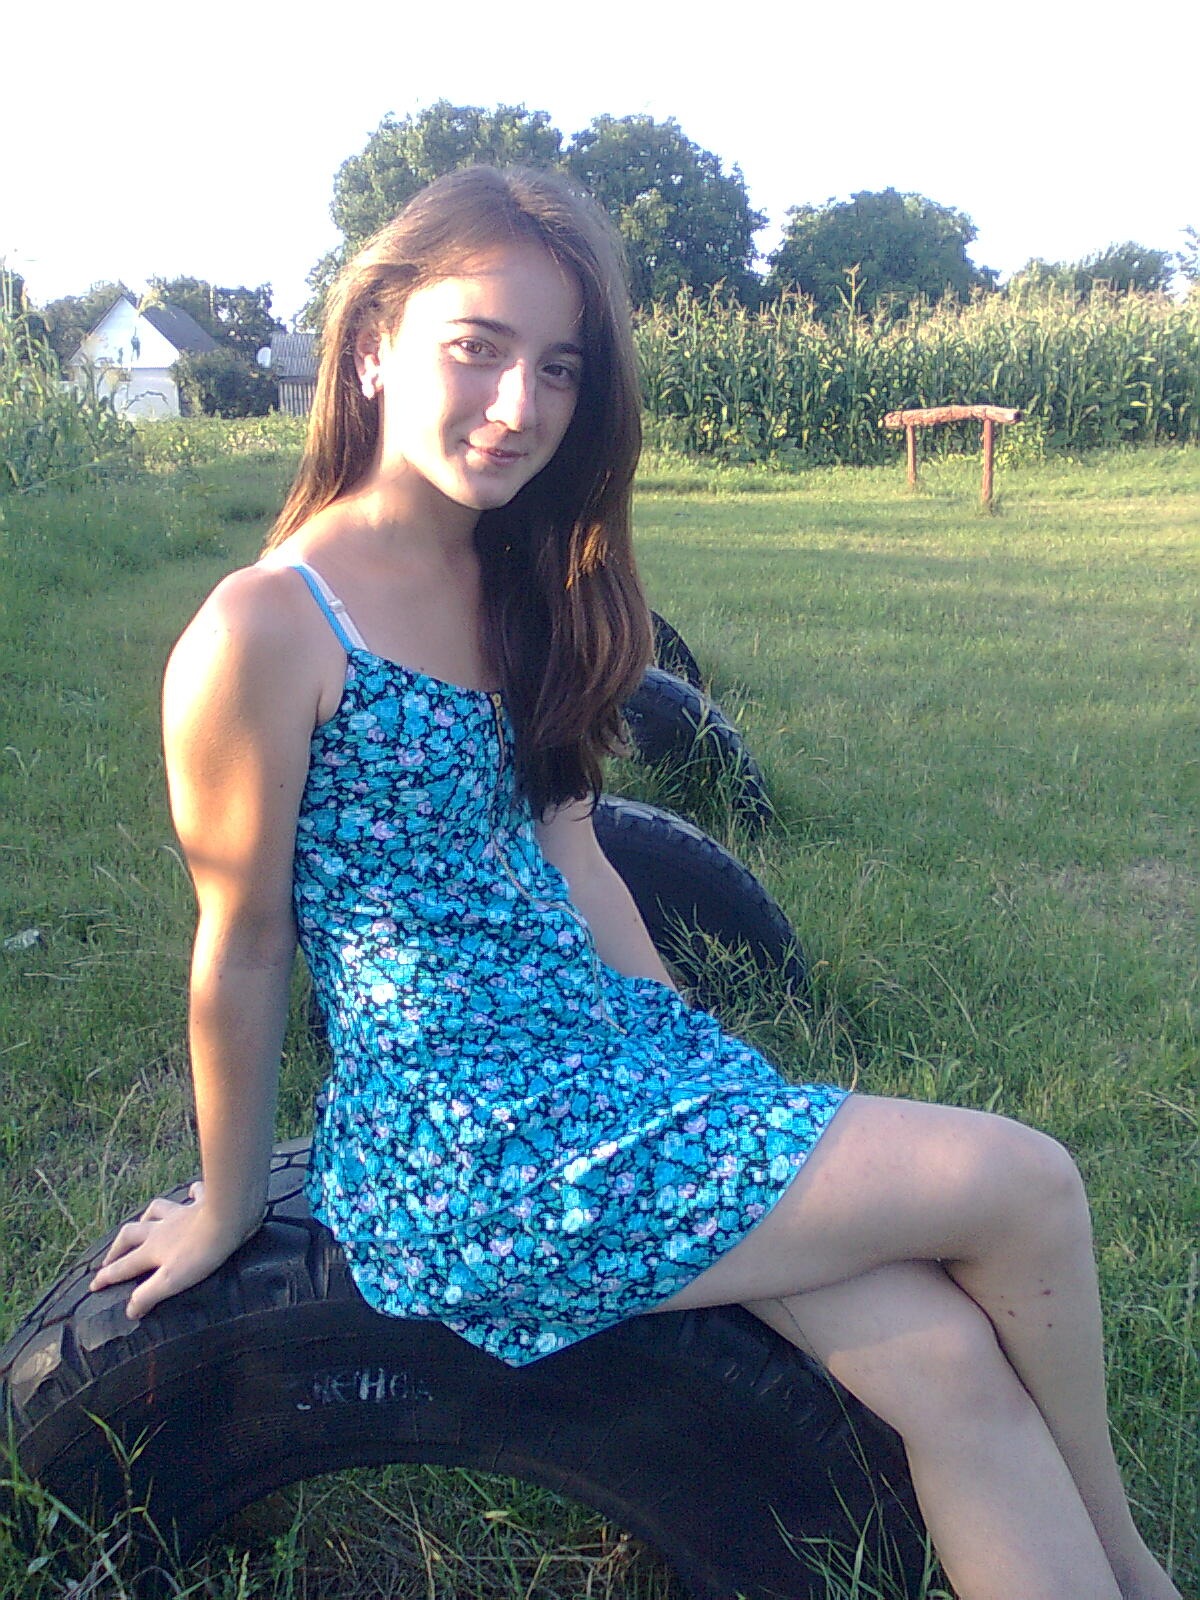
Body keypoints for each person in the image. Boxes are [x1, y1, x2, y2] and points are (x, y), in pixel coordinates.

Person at [88, 166, 1179, 1600]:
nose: (518, 406)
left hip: (605, 1075)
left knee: (946, 1363)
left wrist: (701, 1067)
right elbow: (240, 947)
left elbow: (575, 852)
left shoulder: (519, 582)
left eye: (558, 368)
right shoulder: (267, 630)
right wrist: (231, 1206)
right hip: (478, 1151)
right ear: (371, 346)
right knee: (1027, 1184)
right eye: (477, 347)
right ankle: (1134, 1564)